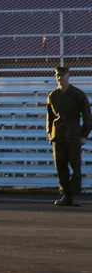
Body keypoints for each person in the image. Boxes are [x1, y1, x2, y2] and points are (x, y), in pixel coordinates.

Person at [46, 66, 91, 207]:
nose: (60, 78)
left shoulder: (77, 95)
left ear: (68, 76)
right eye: (58, 76)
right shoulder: (53, 95)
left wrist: (84, 135)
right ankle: (66, 194)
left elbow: (87, 116)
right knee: (60, 167)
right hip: (58, 136)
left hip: (73, 137)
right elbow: (50, 116)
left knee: (75, 167)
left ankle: (75, 195)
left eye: (63, 76)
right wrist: (49, 132)